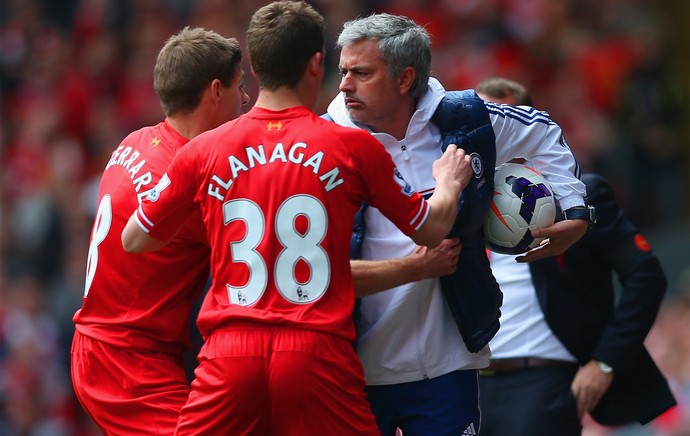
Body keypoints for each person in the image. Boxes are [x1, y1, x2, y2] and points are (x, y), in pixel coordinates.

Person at [121, 2, 474, 434]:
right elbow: (433, 228)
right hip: (317, 351)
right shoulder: (352, 147)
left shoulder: (202, 151)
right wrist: (450, 181)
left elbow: (136, 239)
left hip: (229, 354)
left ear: (253, 65)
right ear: (316, 63)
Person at [326, 13, 592, 435]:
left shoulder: (466, 120)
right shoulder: (325, 143)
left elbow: (545, 133)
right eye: (343, 71)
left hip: (448, 366)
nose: (344, 85)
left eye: (361, 73)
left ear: (404, 78)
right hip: (352, 371)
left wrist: (576, 211)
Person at [70, 26, 250, 435]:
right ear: (215, 91)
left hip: (107, 348)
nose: (246, 100)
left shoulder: (136, 141)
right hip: (126, 364)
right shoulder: (190, 182)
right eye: (241, 87)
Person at [476, 77, 677, 435]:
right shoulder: (460, 200)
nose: (474, 127)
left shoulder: (580, 194)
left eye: (488, 114)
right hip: (466, 382)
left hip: (541, 382)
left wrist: (605, 362)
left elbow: (646, 276)